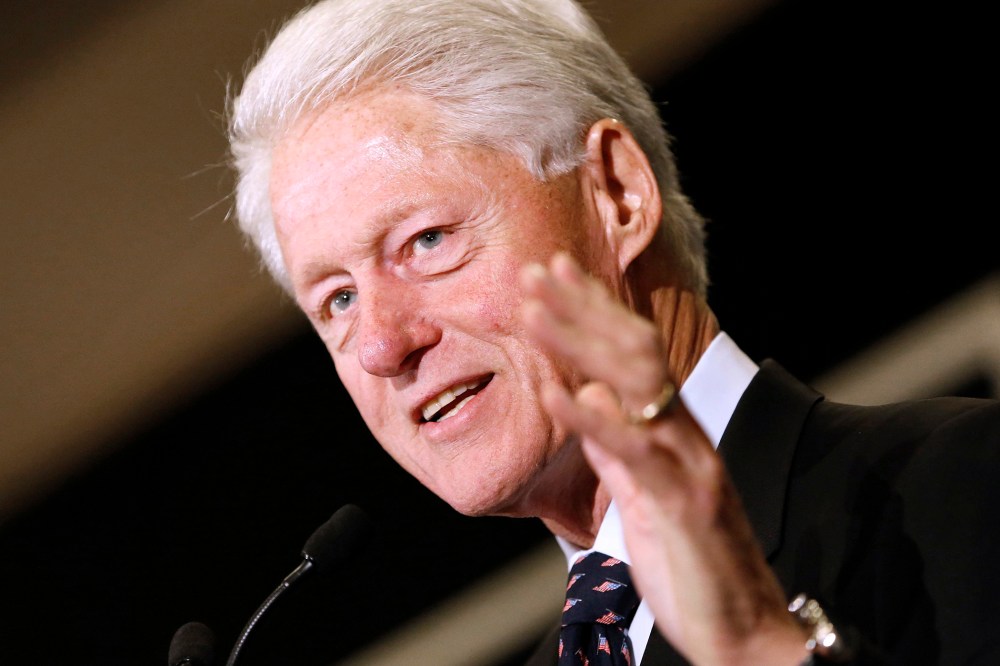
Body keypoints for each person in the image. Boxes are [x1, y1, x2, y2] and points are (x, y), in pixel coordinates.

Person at [224, 0, 1000, 663]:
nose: (381, 346)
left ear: (617, 194)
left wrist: (760, 646)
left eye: (426, 242)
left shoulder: (963, 486)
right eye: (337, 299)